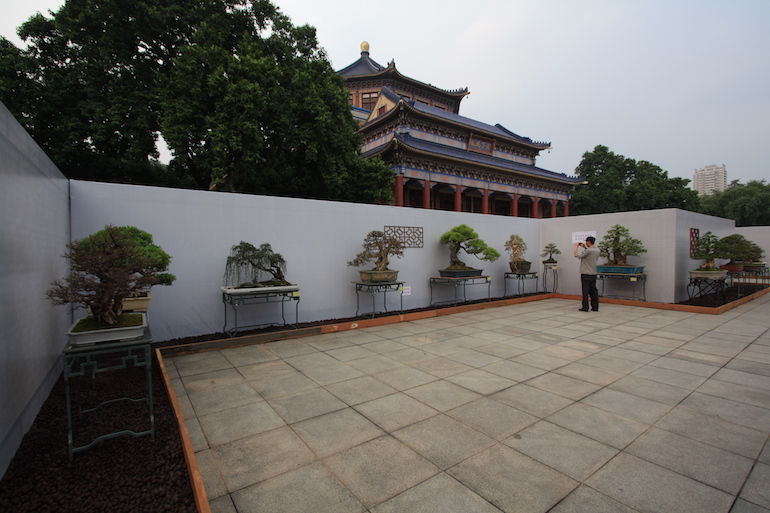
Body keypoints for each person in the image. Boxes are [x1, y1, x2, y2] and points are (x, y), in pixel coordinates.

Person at [574, 236, 600, 311]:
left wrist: (576, 247)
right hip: (593, 273)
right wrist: (585, 247)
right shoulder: (597, 250)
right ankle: (595, 307)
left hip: (586, 273)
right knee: (593, 291)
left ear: (588, 242)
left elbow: (576, 255)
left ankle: (585, 307)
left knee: (585, 291)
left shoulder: (588, 250)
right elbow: (588, 254)